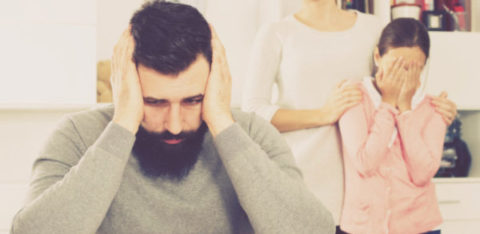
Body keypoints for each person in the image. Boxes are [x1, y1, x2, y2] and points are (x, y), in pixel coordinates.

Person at [10, 2, 335, 234]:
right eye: (154, 101)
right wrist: (123, 121)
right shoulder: (78, 135)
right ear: (126, 83)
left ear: (214, 81)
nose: (175, 124)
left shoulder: (250, 133)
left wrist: (222, 122)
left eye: (192, 100)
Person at [242, 0, 457, 230]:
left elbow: (397, 87)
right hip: (304, 181)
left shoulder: (373, 28)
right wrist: (323, 115)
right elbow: (253, 114)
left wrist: (437, 108)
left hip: (367, 197)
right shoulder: (276, 33)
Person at [338, 18, 445, 234]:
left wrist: (405, 109)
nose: (403, 75)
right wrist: (388, 103)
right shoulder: (354, 97)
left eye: (413, 69)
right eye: (396, 65)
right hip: (363, 227)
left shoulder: (435, 109)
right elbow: (365, 163)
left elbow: (423, 173)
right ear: (378, 57)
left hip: (420, 226)